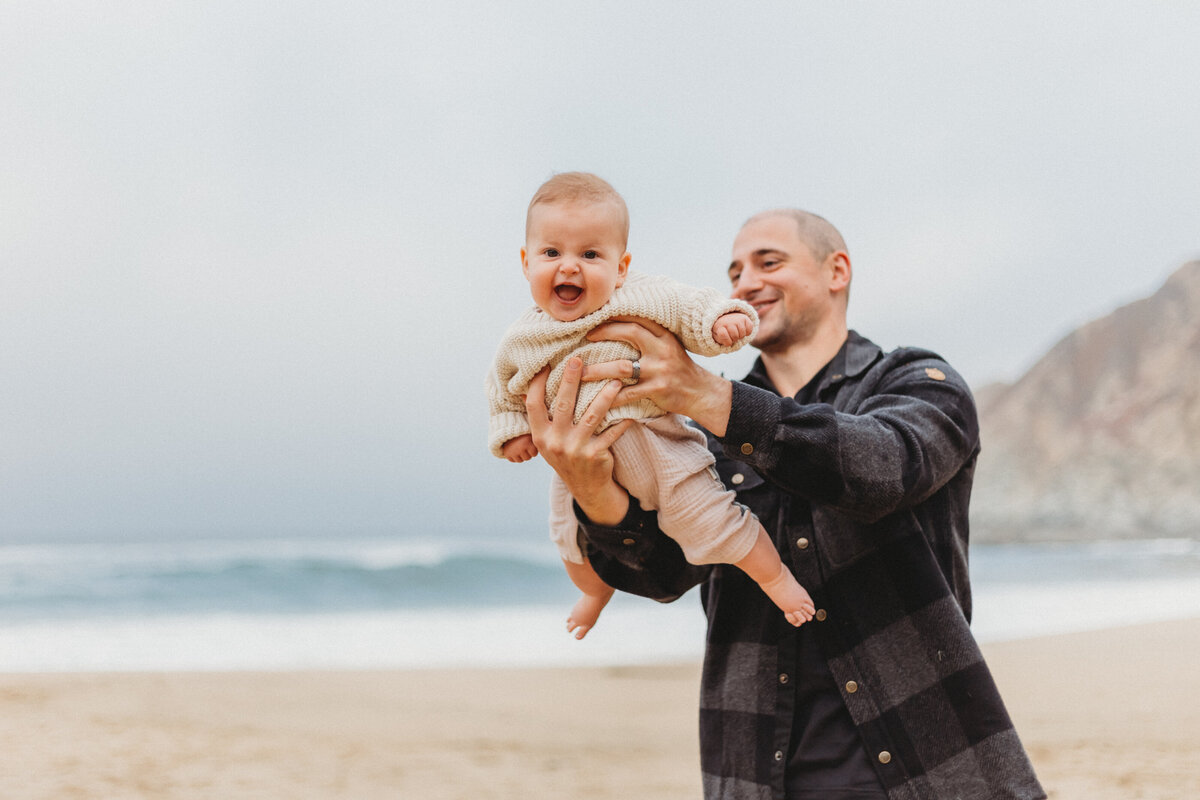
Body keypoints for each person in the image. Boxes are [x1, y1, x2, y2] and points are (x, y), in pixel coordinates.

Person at [524, 209, 1045, 799]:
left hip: (931, 774)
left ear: (836, 271)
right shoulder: (703, 433)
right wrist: (592, 490)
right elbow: (667, 573)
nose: (745, 282)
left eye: (768, 262)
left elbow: (885, 469)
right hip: (756, 778)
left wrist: (709, 396)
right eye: (735, 271)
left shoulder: (919, 381)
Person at [487, 173, 814, 639]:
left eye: (590, 254)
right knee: (568, 536)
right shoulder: (522, 337)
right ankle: (595, 594)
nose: (569, 267)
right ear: (525, 262)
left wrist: (721, 320)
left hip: (660, 447)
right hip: (575, 455)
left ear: (621, 267)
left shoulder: (636, 297)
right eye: (551, 252)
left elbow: (689, 307)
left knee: (711, 519)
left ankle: (775, 578)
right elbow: (502, 388)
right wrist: (513, 430)